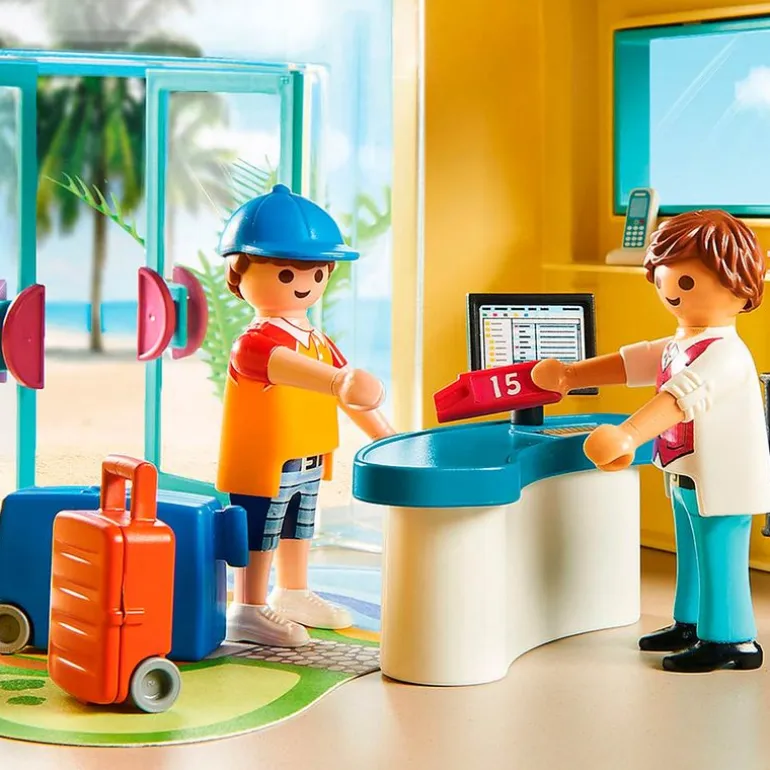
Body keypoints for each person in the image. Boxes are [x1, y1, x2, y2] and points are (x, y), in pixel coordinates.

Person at [532, 209, 770, 673]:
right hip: (687, 471)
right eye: (664, 281)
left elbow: (680, 396)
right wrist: (571, 375)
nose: (670, 291)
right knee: (691, 553)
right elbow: (634, 362)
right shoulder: (682, 343)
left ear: (740, 287)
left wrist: (628, 433)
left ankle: (730, 638)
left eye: (685, 282)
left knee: (718, 555)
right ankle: (691, 623)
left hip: (723, 479)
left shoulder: (725, 354)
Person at [216, 184, 395, 647]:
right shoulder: (255, 343)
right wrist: (341, 381)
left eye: (317, 273)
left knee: (299, 528)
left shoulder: (316, 339)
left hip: (308, 456)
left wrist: (388, 439)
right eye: (286, 272)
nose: (304, 283)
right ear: (239, 271)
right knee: (259, 533)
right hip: (265, 463)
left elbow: (350, 395)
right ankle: (248, 607)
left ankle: (293, 591)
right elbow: (309, 374)